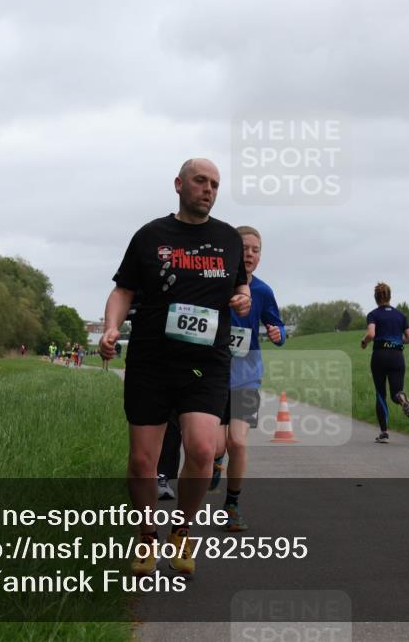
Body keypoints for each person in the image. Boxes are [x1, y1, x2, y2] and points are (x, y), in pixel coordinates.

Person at [99, 158, 250, 578]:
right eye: (201, 181)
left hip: (206, 361)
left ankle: (182, 530)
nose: (208, 189)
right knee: (142, 460)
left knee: (202, 449)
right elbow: (123, 290)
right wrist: (111, 327)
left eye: (215, 184)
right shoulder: (151, 236)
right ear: (179, 184)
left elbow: (241, 285)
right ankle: (147, 536)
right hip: (151, 359)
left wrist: (243, 298)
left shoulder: (227, 239)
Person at [207, 225, 287, 532]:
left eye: (256, 250)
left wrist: (278, 334)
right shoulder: (216, 284)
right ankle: (215, 462)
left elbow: (277, 327)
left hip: (247, 377)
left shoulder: (263, 291)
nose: (250, 254)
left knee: (237, 442)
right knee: (215, 447)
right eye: (244, 248)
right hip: (214, 376)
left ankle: (232, 505)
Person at [360, 283, 409, 444]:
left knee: (380, 394)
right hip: (397, 356)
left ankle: (384, 433)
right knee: (396, 392)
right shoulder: (401, 316)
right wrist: (396, 340)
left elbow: (371, 333)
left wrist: (364, 342)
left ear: (376, 298)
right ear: (390, 296)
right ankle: (402, 398)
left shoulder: (373, 315)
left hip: (380, 356)